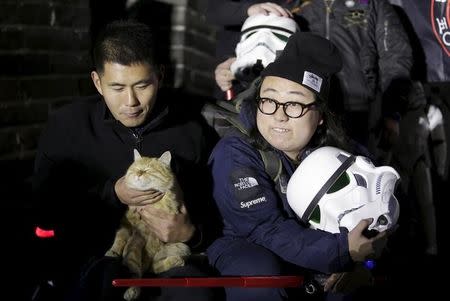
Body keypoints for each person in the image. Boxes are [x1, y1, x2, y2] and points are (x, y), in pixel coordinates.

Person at [31, 20, 216, 301]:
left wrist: (192, 233)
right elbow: (45, 212)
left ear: (160, 76)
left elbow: (216, 213)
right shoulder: (67, 126)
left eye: (142, 85)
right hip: (94, 257)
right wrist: (112, 193)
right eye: (117, 88)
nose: (131, 101)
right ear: (97, 81)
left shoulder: (191, 129)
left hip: (169, 259)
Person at [207, 31, 391, 301]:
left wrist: (364, 264)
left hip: (320, 248)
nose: (279, 115)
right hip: (245, 243)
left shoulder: (347, 155)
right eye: (269, 100)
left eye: (294, 104)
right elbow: (265, 228)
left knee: (348, 289)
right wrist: (343, 252)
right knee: (260, 274)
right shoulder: (235, 152)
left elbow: (384, 215)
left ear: (320, 116)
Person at [206, 1, 297, 99]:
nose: (262, 41)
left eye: (278, 36)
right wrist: (247, 10)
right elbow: (213, 10)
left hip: (282, 87)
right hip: (233, 82)